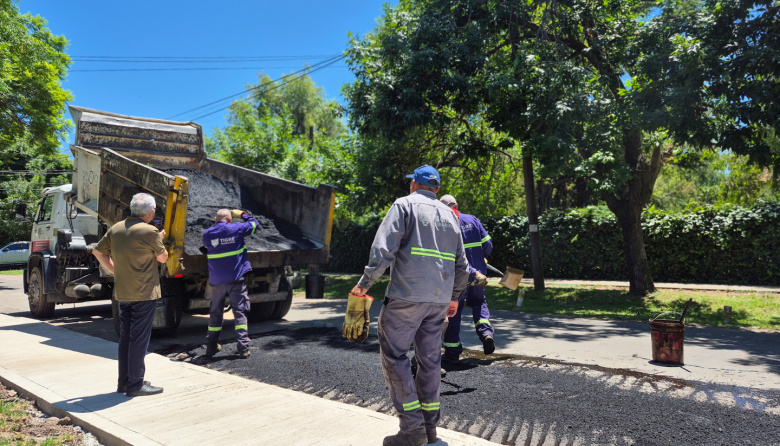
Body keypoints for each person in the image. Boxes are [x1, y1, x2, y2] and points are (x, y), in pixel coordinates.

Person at [350, 165, 469, 446]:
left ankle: (412, 430)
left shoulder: (403, 205)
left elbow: (383, 250)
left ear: (414, 184)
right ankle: (430, 431)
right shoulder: (451, 216)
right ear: (437, 189)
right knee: (430, 362)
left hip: (406, 297)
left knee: (395, 357)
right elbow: (462, 267)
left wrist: (364, 284)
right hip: (439, 301)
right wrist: (454, 298)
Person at [92, 192, 168, 397]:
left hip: (123, 293)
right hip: (144, 293)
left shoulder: (116, 228)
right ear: (150, 212)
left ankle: (124, 382)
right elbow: (162, 258)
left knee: (126, 338)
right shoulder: (150, 231)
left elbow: (98, 252)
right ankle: (136, 384)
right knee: (139, 340)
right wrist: (159, 239)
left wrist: (113, 270)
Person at [439, 194, 494, 362]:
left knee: (454, 311)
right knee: (479, 302)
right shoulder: (473, 220)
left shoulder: (445, 224)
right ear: (457, 204)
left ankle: (452, 352)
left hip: (458, 277)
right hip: (479, 274)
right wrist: (482, 257)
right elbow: (488, 245)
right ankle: (486, 333)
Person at [202, 208, 259, 358]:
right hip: (236, 280)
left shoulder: (207, 234)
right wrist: (242, 214)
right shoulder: (237, 228)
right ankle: (243, 348)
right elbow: (254, 224)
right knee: (239, 313)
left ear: (215, 219)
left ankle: (211, 347)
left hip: (216, 282)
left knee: (215, 314)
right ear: (230, 220)